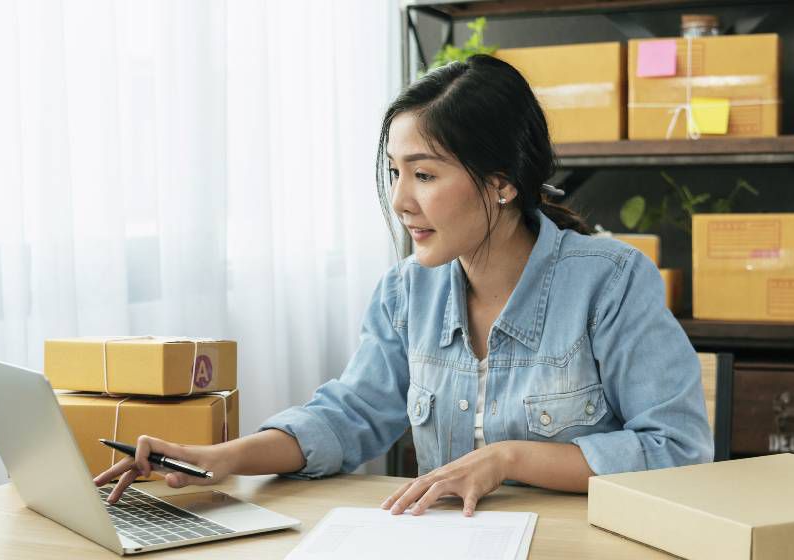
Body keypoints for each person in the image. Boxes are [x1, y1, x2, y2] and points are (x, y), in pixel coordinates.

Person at [94, 54, 713, 516]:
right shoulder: (404, 293)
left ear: (502, 183)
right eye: (394, 172)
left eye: (424, 174)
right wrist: (220, 458)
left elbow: (679, 450)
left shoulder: (610, 281)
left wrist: (509, 458)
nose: (399, 200)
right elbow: (349, 415)